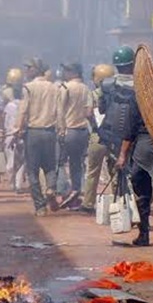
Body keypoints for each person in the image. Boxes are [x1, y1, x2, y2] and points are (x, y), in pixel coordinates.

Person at [115, 58, 153, 247]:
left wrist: (122, 155)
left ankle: (144, 234)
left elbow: (129, 129)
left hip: (142, 149)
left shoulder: (139, 95)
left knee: (142, 194)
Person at [16, 57, 60, 216]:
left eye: (29, 68)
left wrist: (18, 129)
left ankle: (40, 206)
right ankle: (51, 188)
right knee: (49, 167)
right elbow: (59, 112)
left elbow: (23, 111)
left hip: (33, 133)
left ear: (36, 69)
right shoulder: (55, 87)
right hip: (50, 132)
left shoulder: (28, 87)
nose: (26, 71)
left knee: (32, 171)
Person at [97, 46, 137, 198]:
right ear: (132, 64)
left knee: (114, 167)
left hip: (112, 134)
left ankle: (119, 199)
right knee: (134, 168)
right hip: (135, 136)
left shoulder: (107, 85)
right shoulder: (141, 84)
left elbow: (101, 109)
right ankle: (135, 200)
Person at [80, 64, 116, 213]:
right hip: (114, 138)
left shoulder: (94, 94)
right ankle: (117, 202)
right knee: (115, 171)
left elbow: (88, 113)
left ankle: (88, 203)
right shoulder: (117, 93)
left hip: (97, 137)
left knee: (92, 171)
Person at [57, 62, 93, 209]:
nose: (64, 73)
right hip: (82, 131)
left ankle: (64, 191)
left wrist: (61, 130)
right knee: (77, 163)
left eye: (66, 70)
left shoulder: (65, 88)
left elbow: (60, 111)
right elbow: (89, 112)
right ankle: (77, 189)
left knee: (59, 162)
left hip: (68, 130)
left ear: (73, 72)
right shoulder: (86, 89)